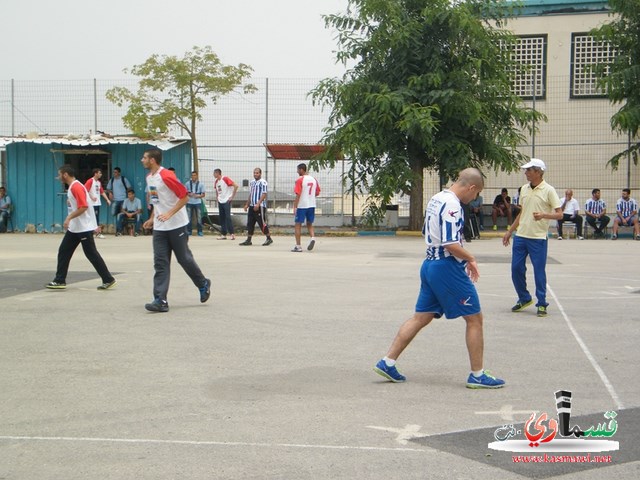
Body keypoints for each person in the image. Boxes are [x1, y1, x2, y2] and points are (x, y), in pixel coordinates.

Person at [373, 168, 505, 389]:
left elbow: (427, 232)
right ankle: (478, 374)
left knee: (420, 317)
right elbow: (450, 243)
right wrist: (470, 258)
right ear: (471, 187)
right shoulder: (453, 205)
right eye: (475, 194)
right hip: (447, 268)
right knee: (475, 319)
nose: (474, 199)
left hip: (429, 265)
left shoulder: (437, 198)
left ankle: (387, 362)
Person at [141, 149, 211, 313]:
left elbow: (184, 196)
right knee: (160, 263)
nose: (141, 160)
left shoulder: (166, 176)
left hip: (177, 225)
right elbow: (156, 201)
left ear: (152, 160)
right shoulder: (149, 178)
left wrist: (169, 213)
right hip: (160, 228)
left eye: (144, 158)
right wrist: (152, 218)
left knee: (184, 259)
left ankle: (203, 283)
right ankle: (160, 300)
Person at [502, 158, 562, 317]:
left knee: (539, 271)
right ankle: (524, 298)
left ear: (538, 172)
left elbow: (560, 213)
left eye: (529, 170)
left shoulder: (549, 190)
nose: (526, 173)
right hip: (521, 236)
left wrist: (544, 215)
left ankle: (542, 303)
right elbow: (523, 213)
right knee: (516, 269)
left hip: (538, 238)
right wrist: (510, 231)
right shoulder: (524, 189)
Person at [46, 165, 116, 290]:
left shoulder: (76, 186)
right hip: (76, 228)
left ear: (65, 174)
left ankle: (108, 278)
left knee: (91, 254)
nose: (58, 177)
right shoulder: (74, 186)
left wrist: (69, 217)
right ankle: (60, 280)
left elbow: (83, 207)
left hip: (83, 227)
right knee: (64, 251)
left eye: (59, 174)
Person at [239, 167, 273, 246]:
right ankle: (248, 239)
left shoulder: (263, 182)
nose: (255, 174)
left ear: (260, 174)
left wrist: (258, 203)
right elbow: (251, 194)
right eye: (254, 173)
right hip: (251, 206)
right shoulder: (252, 182)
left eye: (257, 173)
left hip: (260, 206)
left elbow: (264, 194)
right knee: (250, 223)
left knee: (261, 223)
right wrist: (247, 204)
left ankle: (269, 238)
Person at [292, 163, 320, 252]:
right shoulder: (314, 179)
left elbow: (298, 194)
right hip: (311, 205)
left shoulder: (300, 180)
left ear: (301, 170)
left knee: (298, 225)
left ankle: (298, 246)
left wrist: (295, 206)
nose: (297, 172)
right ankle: (312, 238)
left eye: (298, 170)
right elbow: (317, 192)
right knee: (309, 224)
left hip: (302, 205)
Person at [84, 168, 111, 238]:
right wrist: (91, 197)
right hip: (91, 203)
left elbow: (102, 192)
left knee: (96, 218)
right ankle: (91, 233)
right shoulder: (90, 181)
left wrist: (107, 199)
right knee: (91, 218)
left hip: (97, 203)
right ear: (95, 174)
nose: (101, 174)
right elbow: (85, 190)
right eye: (99, 173)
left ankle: (96, 232)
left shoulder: (98, 183)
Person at [213, 169, 238, 240]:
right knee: (222, 218)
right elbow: (217, 190)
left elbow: (236, 186)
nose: (213, 175)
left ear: (217, 173)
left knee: (228, 217)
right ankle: (223, 234)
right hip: (220, 201)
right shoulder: (216, 182)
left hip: (226, 201)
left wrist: (232, 196)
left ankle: (232, 233)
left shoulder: (225, 179)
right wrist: (217, 197)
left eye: (214, 173)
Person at [106, 167, 132, 234]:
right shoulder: (112, 180)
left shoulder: (123, 179)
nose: (114, 174)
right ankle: (118, 229)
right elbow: (108, 188)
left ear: (119, 173)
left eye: (116, 172)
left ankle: (119, 230)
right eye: (113, 172)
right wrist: (110, 193)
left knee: (121, 215)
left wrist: (126, 194)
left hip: (123, 199)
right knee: (114, 213)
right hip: (115, 200)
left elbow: (129, 188)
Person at [185, 171, 206, 236]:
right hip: (189, 202)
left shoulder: (201, 184)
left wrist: (197, 196)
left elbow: (203, 194)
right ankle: (189, 231)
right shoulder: (187, 183)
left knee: (199, 217)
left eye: (194, 175)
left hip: (197, 202)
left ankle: (200, 231)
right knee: (189, 217)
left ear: (197, 176)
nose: (193, 176)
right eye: (192, 175)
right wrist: (189, 194)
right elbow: (185, 192)